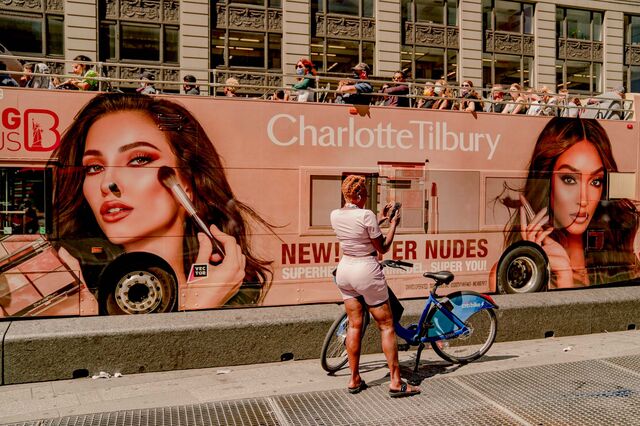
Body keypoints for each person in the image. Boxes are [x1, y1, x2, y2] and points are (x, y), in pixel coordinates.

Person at [50, 93, 276, 309]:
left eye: (139, 160)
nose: (107, 183)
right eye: (94, 167)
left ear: (187, 184)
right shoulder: (71, 291)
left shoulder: (232, 297)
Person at [492, 118, 639, 289]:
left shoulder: (622, 261)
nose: (584, 200)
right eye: (569, 179)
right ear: (547, 182)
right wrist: (554, 272)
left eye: (595, 182)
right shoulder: (510, 273)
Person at [330, 175, 420, 398]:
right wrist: (393, 225)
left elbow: (360, 231)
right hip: (366, 271)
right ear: (359, 195)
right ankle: (396, 382)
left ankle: (354, 379)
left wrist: (379, 219)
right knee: (386, 326)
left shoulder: (336, 214)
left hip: (345, 271)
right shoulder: (365, 215)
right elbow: (383, 246)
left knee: (354, 325)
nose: (367, 198)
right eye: (366, 195)